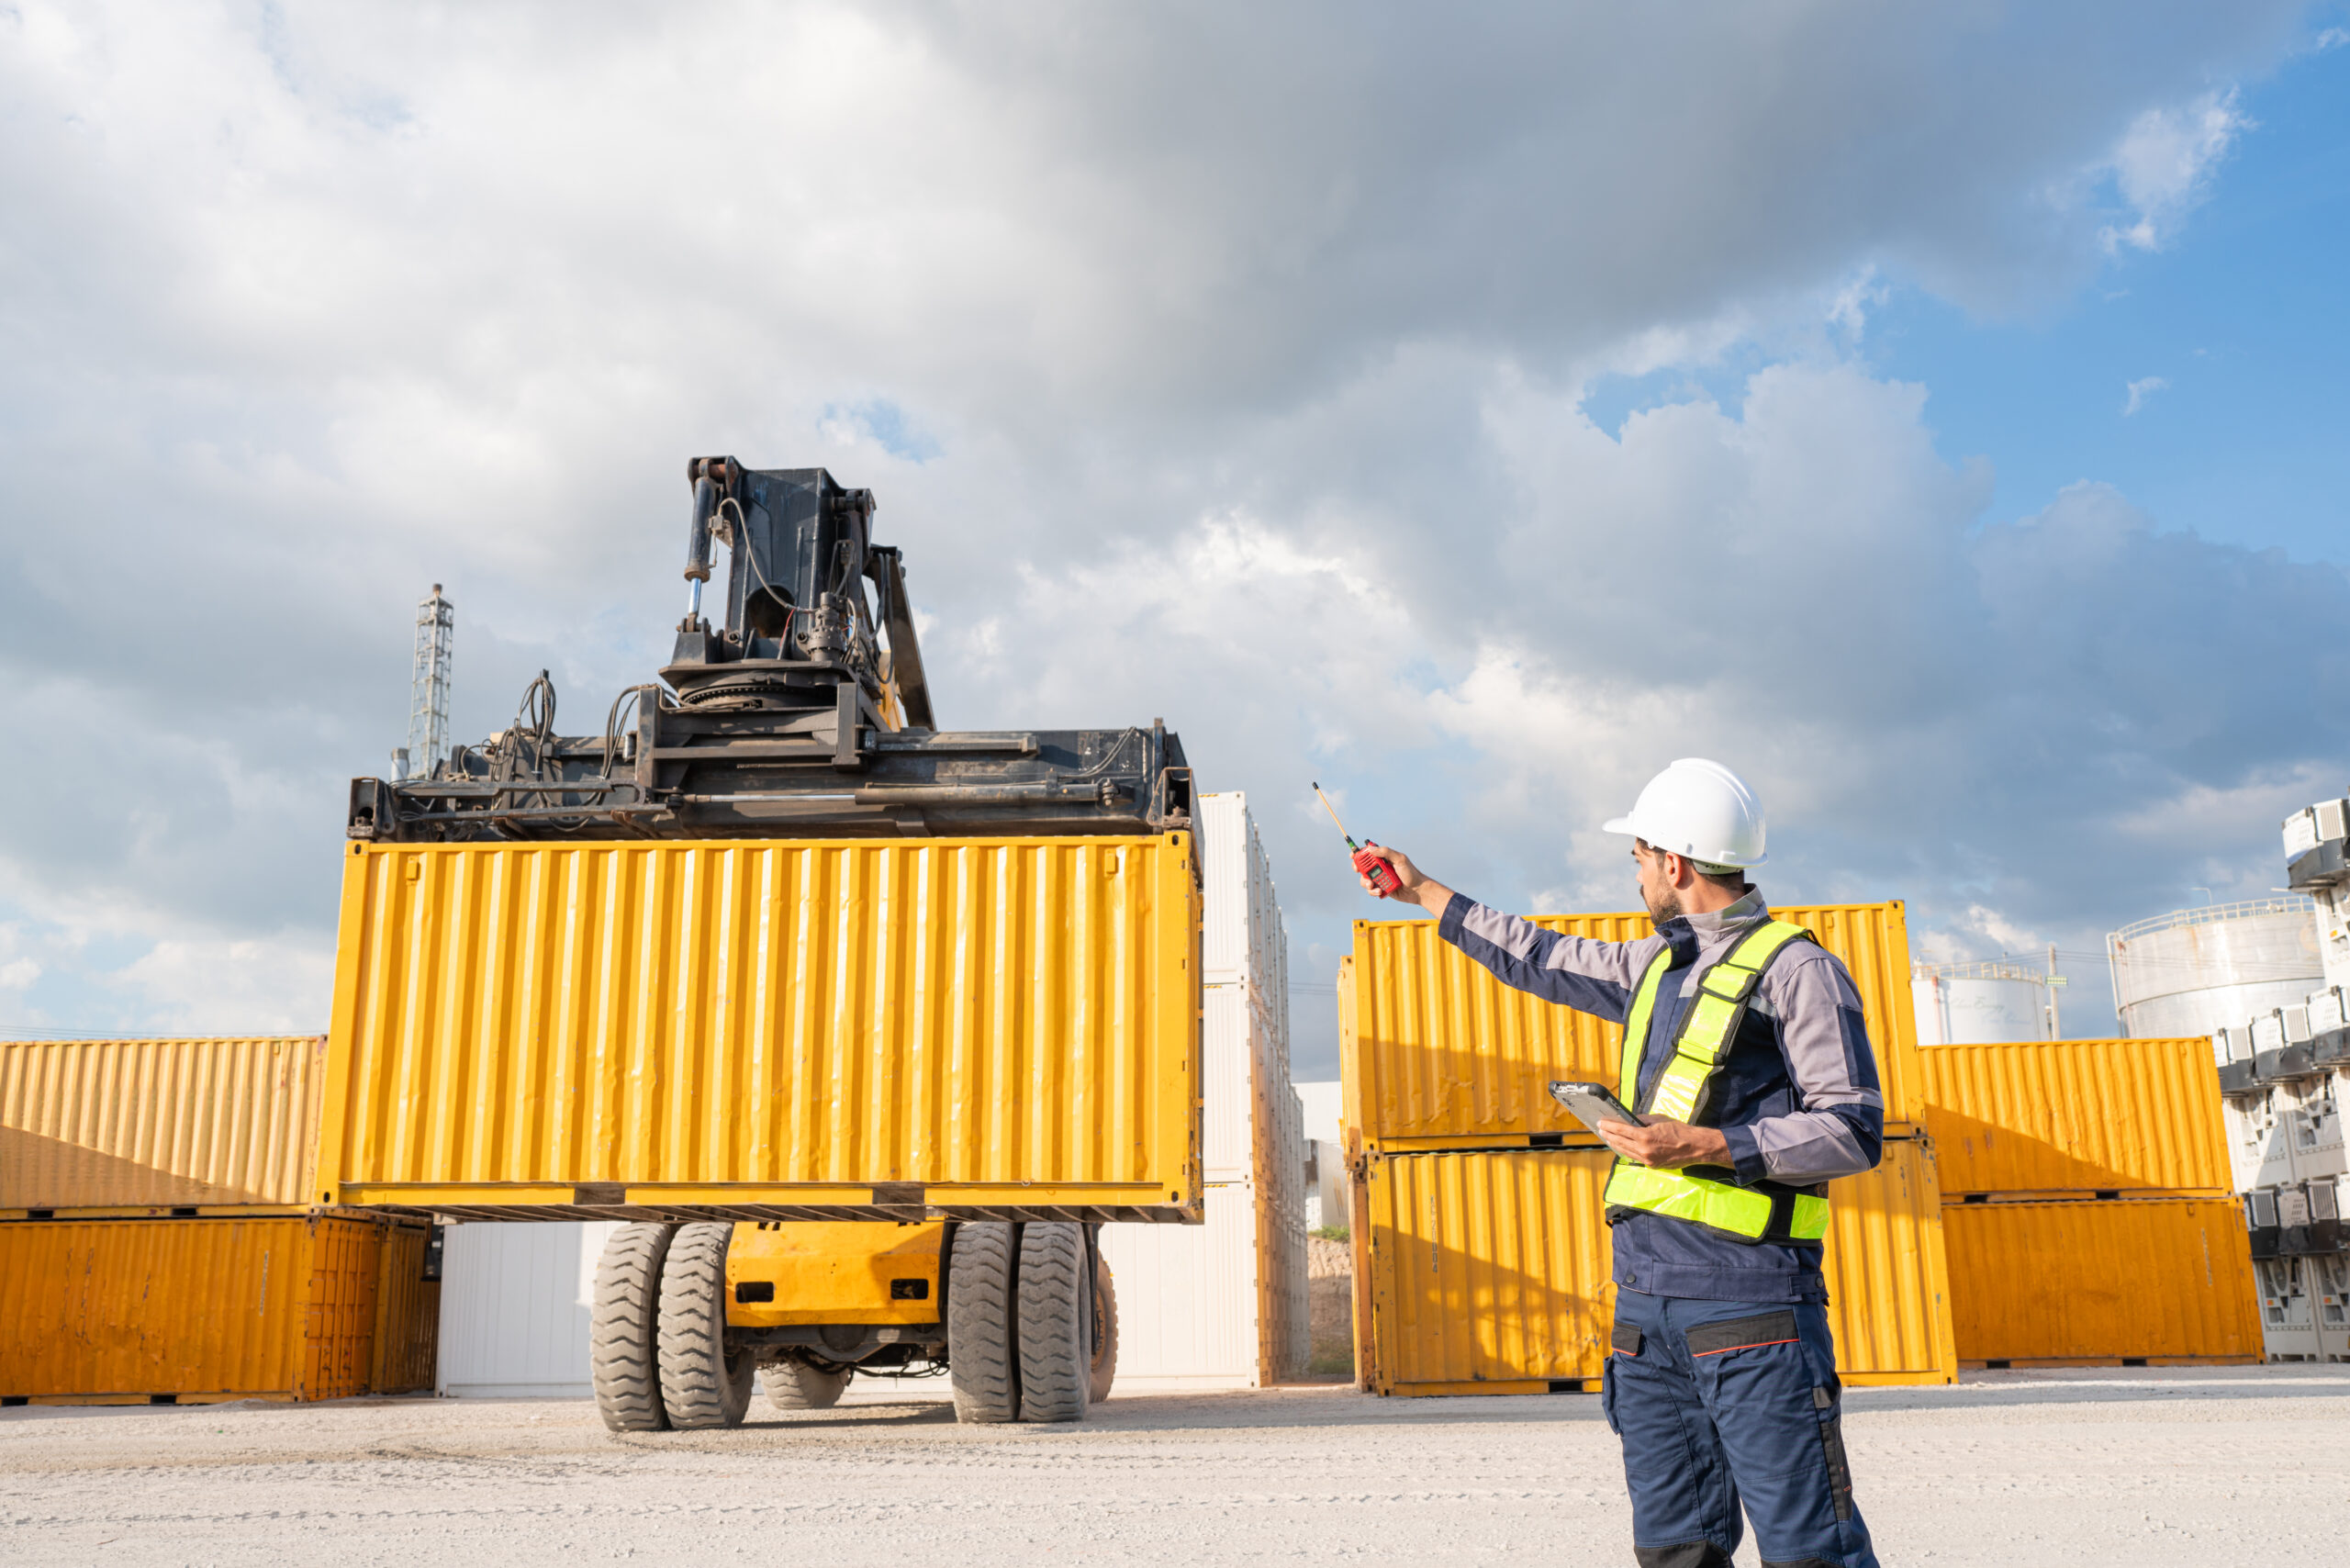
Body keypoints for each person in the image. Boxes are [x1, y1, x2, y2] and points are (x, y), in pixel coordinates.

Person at [1358, 758, 1883, 1568]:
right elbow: (1536, 955)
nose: (1636, 876)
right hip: (1645, 1322)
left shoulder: (1798, 969)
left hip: (1751, 1313)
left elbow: (1851, 1128)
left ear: (1673, 863)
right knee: (1675, 1553)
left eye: (1638, 859)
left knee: (1813, 1554)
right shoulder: (1654, 967)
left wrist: (1709, 1144)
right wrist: (1425, 890)